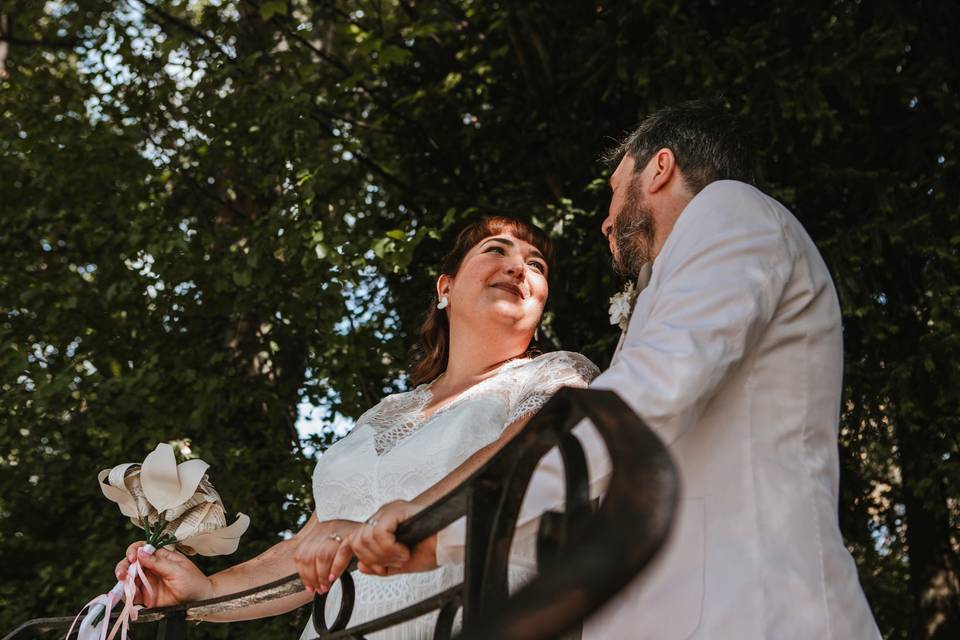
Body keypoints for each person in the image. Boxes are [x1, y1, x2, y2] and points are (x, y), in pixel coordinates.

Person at [338, 100, 882, 639]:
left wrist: (447, 528)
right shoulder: (671, 286)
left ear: (660, 169)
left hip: (752, 610)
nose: (605, 220)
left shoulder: (729, 209)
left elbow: (646, 398)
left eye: (614, 190)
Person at [114, 215, 598, 638]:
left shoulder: (557, 374)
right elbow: (312, 550)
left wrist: (384, 524)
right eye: (497, 251)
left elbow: (518, 463)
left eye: (536, 266)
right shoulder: (385, 411)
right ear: (444, 288)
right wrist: (205, 592)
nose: (519, 267)